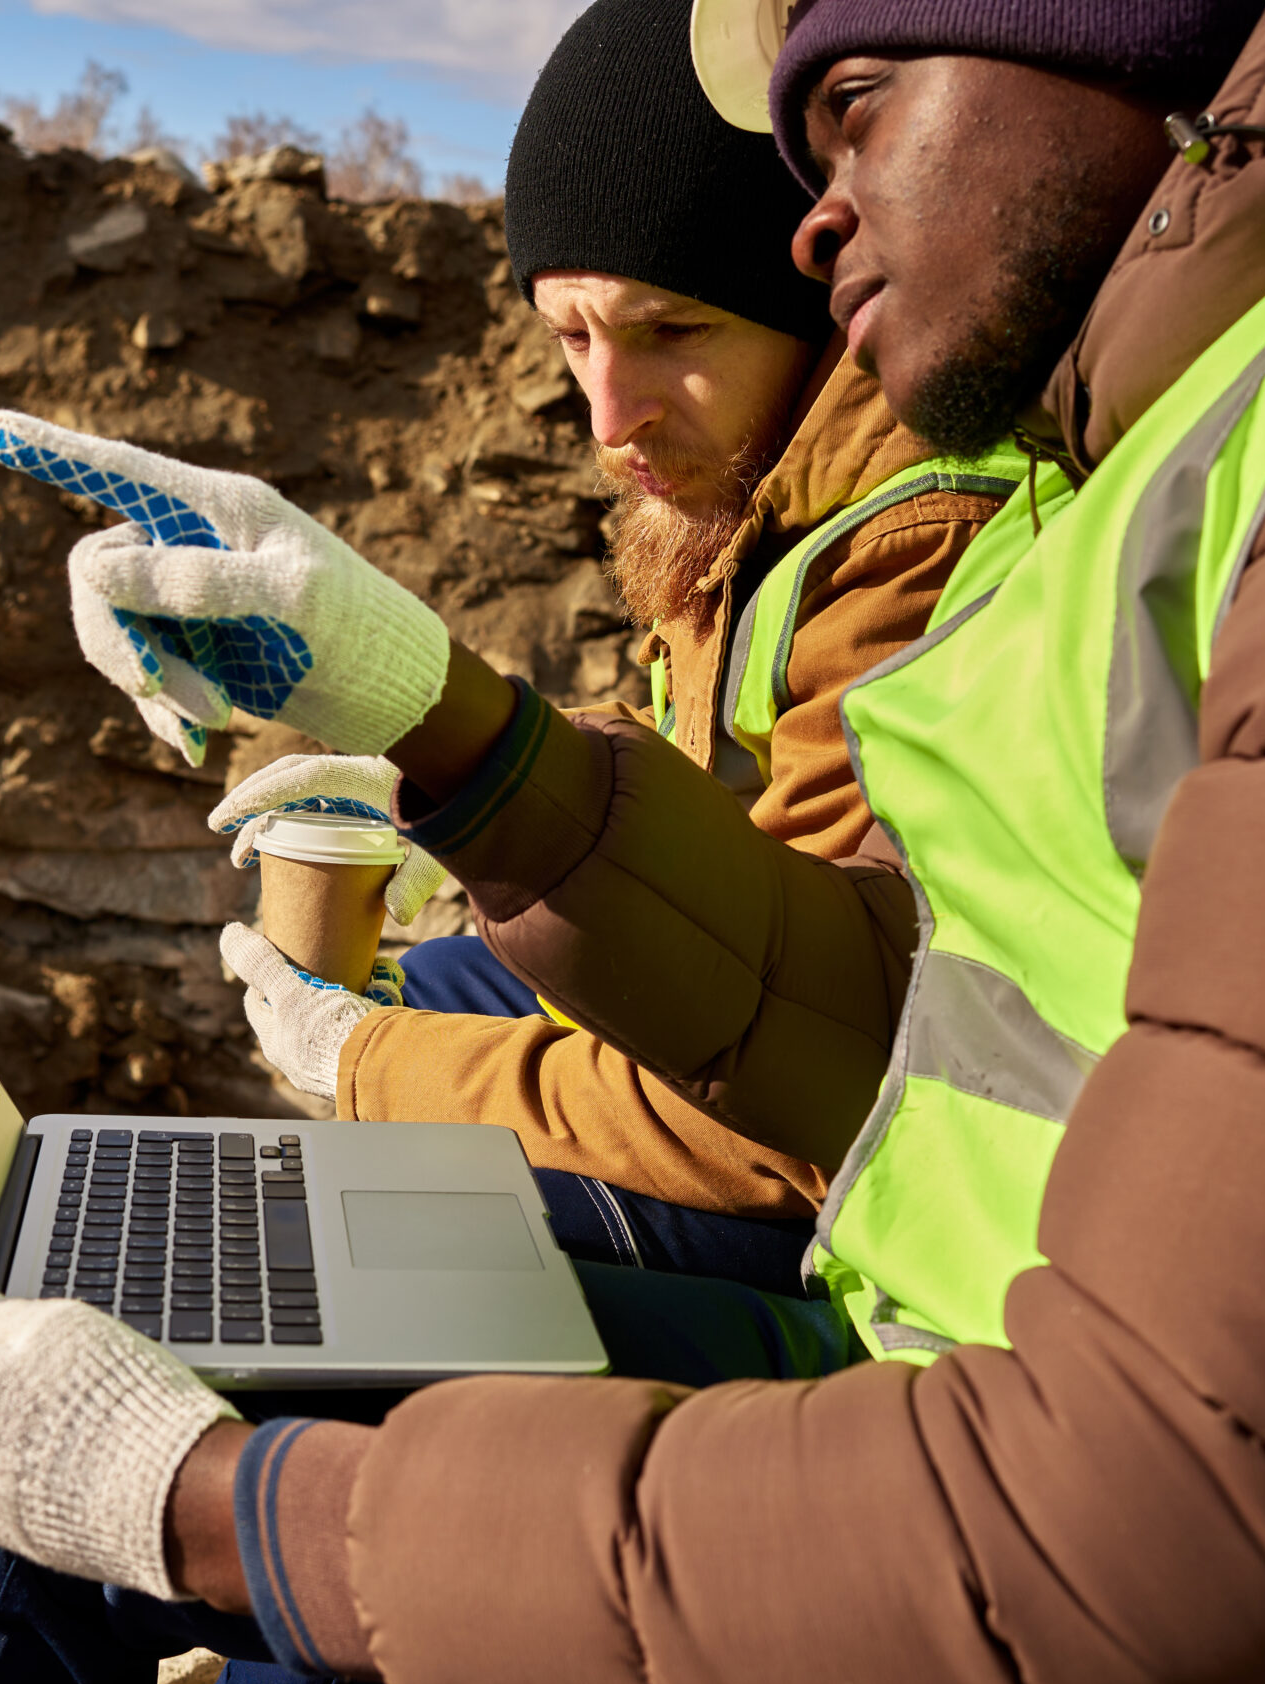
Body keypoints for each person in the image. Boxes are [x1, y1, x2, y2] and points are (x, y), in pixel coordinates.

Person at [0, 0, 1265, 1684]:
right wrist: (430, 720)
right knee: (139, 1325)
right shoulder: (1236, 421)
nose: (808, 213)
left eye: (853, 100)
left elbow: (1123, 1555)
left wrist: (197, 1506)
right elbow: (952, 1029)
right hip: (974, 1417)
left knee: (107, 1448)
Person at [208, 0, 1019, 1296]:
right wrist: (447, 833)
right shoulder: (754, 485)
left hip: (868, 1207)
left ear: (816, 289)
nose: (608, 413)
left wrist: (364, 1067)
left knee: (300, 1253)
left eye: (669, 331)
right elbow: (716, 827)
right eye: (569, 335)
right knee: (429, 1001)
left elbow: (788, 1106)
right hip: (766, 1056)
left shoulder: (921, 539)